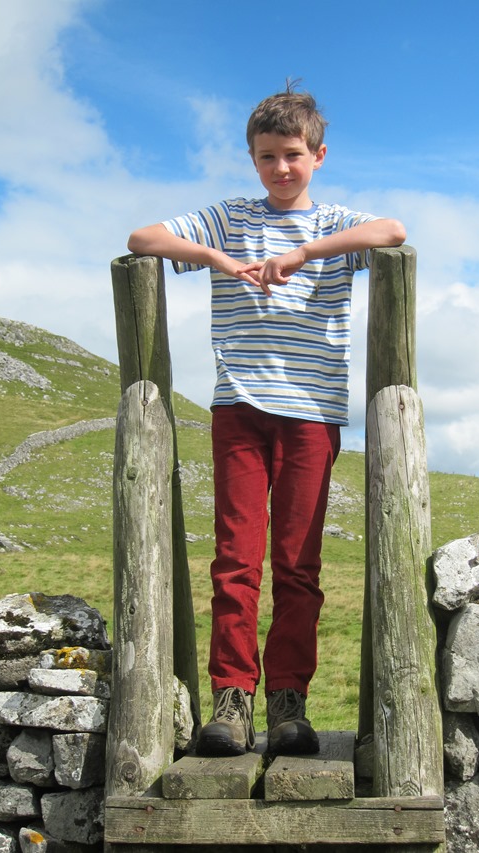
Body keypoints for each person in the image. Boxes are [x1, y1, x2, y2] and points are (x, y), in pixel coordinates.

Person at [127, 86, 406, 758]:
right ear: (252, 159)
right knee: (235, 560)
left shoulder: (335, 223)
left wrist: (308, 253)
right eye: (267, 157)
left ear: (318, 155)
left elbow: (392, 231)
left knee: (297, 564)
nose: (280, 168)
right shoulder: (231, 217)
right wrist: (218, 260)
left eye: (292, 155)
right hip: (240, 409)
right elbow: (143, 237)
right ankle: (231, 701)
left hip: (312, 415)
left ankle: (289, 702)